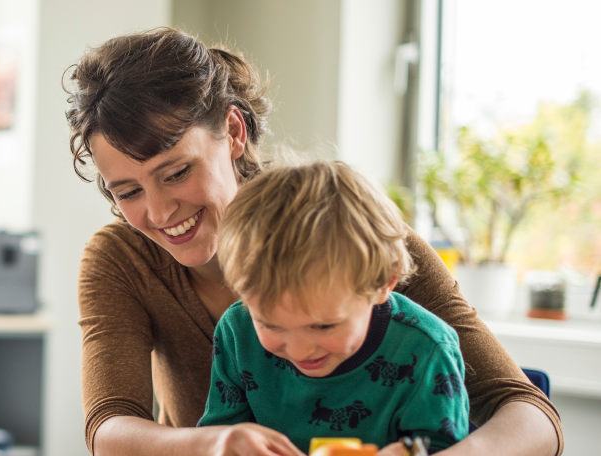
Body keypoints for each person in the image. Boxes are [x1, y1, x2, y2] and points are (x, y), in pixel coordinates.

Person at [67, 28, 561, 456]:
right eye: (127, 192)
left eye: (176, 172)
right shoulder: (122, 258)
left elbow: (532, 416)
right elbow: (108, 428)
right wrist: (212, 444)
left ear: (234, 131)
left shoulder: (355, 236)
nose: (158, 213)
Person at [198, 161, 468, 454]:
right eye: (270, 324)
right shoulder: (237, 331)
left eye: (323, 326)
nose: (300, 351)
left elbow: (444, 445)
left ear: (382, 283)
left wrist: (409, 452)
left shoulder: (427, 350)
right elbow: (217, 436)